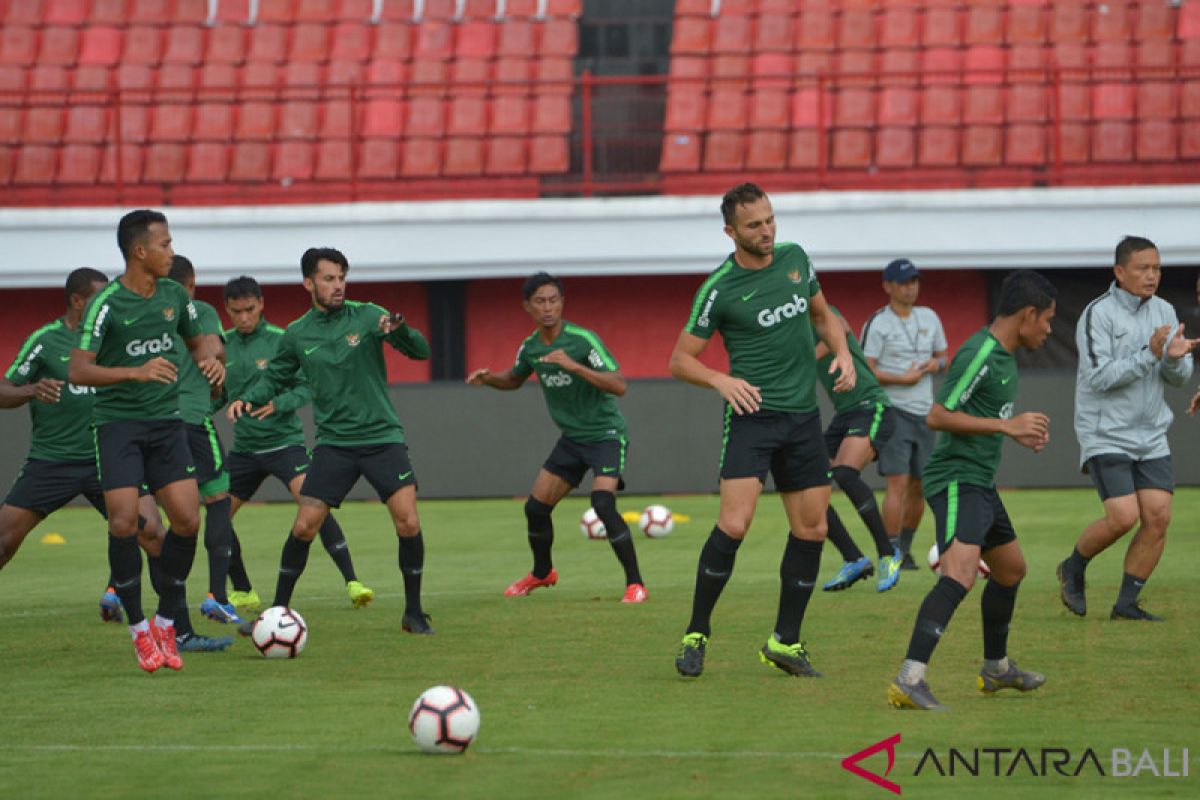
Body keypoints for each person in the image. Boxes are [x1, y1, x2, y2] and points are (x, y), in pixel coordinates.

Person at [669, 182, 855, 679]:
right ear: (731, 232)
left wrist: (839, 350)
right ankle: (696, 633)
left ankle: (785, 642)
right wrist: (720, 380)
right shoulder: (719, 289)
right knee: (735, 524)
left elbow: (824, 315)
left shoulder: (796, 259)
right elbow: (680, 359)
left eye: (770, 219)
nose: (767, 231)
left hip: (803, 418)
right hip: (753, 416)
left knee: (812, 528)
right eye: (754, 224)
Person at [228, 247, 433, 635]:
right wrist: (249, 396)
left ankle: (414, 612)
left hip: (381, 438)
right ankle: (275, 613)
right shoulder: (296, 334)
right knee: (305, 526)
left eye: (341, 278)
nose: (337, 285)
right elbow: (275, 377)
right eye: (328, 278)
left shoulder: (370, 315)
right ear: (309, 283)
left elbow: (420, 351)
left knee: (408, 521)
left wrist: (401, 330)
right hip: (334, 445)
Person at [887, 270, 1057, 712]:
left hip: (980, 480)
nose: (1049, 330)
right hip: (957, 480)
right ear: (1028, 314)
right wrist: (1006, 425)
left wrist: (1019, 432)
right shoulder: (980, 353)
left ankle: (997, 668)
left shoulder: (1003, 356)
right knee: (959, 576)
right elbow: (937, 416)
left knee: (1011, 569)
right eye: (1048, 321)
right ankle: (910, 678)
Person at [69, 209, 226, 672]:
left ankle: (164, 620)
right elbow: (79, 369)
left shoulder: (175, 295)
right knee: (123, 524)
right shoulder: (107, 304)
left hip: (166, 423)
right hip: (118, 426)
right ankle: (139, 629)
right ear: (141, 251)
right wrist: (135, 372)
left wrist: (210, 361)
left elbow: (200, 341)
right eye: (165, 244)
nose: (171, 252)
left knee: (186, 522)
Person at [466, 272, 647, 603]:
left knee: (602, 503)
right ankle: (542, 573)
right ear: (527, 307)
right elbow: (515, 378)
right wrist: (490, 378)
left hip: (606, 434)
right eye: (540, 302)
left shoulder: (581, 341)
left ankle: (636, 585)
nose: (548, 307)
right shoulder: (532, 347)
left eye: (553, 300)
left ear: (562, 303)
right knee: (536, 509)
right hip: (572, 439)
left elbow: (619, 384)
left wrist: (575, 367)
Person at [1057, 236, 1196, 622]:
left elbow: (1180, 379)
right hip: (1106, 432)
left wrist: (1173, 359)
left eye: (1157, 268)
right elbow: (1099, 377)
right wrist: (1149, 354)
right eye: (1143, 268)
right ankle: (1074, 566)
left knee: (1158, 517)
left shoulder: (1165, 310)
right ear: (1119, 272)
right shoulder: (1097, 314)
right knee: (1122, 517)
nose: (1152, 276)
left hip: (1151, 433)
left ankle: (1126, 604)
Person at [220, 275, 374, 611]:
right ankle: (243, 589)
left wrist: (279, 403)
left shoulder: (283, 339)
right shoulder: (222, 344)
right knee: (218, 515)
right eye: (235, 312)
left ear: (261, 304)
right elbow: (219, 394)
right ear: (227, 311)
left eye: (249, 309)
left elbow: (306, 387)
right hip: (244, 449)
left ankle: (352, 581)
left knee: (313, 504)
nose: (243, 318)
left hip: (284, 445)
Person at [164, 255, 244, 626]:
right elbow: (215, 353)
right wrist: (216, 379)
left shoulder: (148, 317)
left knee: (143, 513)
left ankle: (120, 589)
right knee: (217, 501)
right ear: (191, 283)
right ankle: (217, 595)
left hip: (152, 425)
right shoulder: (198, 310)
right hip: (193, 421)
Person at [860, 258, 948, 569]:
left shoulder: (929, 317)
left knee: (920, 484)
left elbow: (943, 357)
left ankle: (906, 550)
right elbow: (865, 371)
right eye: (903, 283)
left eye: (914, 282)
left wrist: (932, 365)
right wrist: (903, 379)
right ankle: (891, 551)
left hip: (925, 411)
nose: (910, 288)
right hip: (893, 410)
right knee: (897, 483)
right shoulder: (878, 323)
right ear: (888, 287)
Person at [815, 307, 904, 594]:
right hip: (843, 414)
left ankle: (889, 553)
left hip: (871, 406)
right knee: (809, 491)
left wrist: (800, 360)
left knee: (844, 472)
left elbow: (840, 325)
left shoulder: (813, 308)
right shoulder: (785, 326)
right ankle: (853, 558)